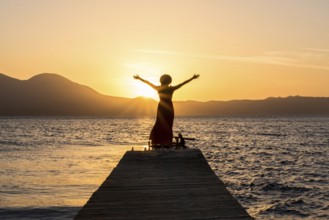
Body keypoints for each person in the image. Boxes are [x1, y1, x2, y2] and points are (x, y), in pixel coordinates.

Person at [133, 74, 199, 146]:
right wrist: (192, 78)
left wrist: (139, 78)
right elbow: (183, 83)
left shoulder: (159, 88)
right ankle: (166, 140)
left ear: (161, 81)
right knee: (168, 124)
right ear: (169, 81)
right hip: (168, 107)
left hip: (161, 107)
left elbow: (148, 83)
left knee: (160, 123)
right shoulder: (171, 89)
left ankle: (158, 140)